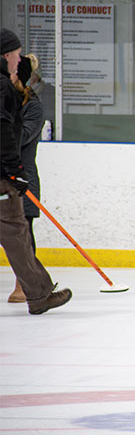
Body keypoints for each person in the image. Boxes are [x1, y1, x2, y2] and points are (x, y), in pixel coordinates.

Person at [1, 27, 72, 314]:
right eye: (17, 58)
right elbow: (10, 135)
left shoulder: (28, 103)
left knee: (21, 232)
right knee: (17, 234)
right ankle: (38, 293)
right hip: (9, 176)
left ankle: (32, 290)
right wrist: (14, 170)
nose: (19, 65)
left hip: (17, 177)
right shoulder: (4, 88)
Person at [7, 53, 45, 302]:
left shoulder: (34, 105)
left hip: (22, 178)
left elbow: (19, 140)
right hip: (4, 174)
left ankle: (25, 285)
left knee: (23, 234)